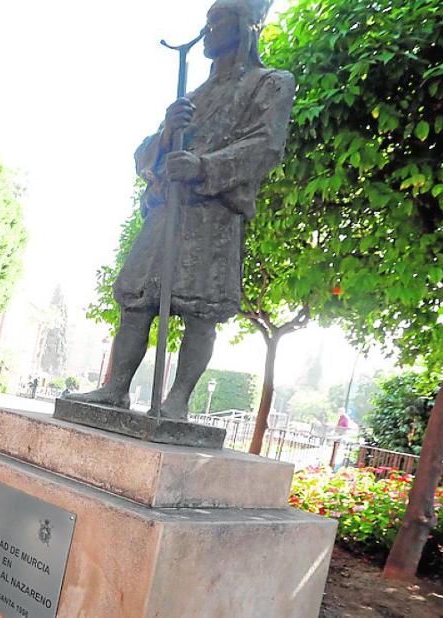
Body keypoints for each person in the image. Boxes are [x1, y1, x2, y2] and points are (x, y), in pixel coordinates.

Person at [70, 0, 294, 418]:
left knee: (201, 310)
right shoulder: (191, 97)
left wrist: (204, 166)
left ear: (246, 26)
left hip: (214, 212)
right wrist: (168, 133)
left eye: (218, 20)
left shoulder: (271, 83)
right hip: (167, 210)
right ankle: (115, 388)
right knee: (136, 300)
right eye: (207, 21)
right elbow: (146, 158)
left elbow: (266, 145)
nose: (208, 30)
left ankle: (177, 402)